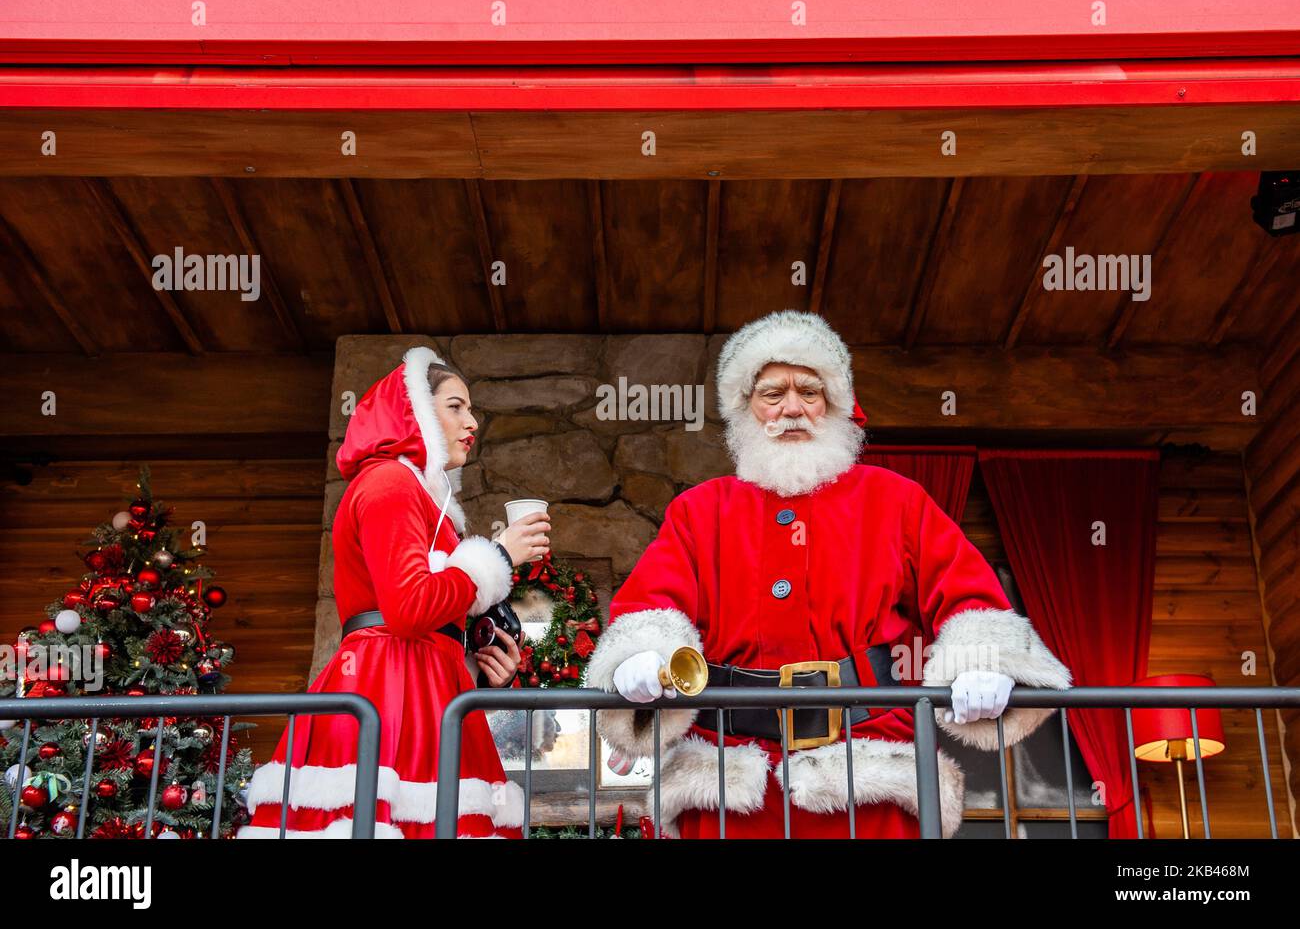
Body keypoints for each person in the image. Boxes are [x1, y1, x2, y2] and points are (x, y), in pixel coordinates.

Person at [585, 311, 1072, 838]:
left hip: (867, 770)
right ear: (746, 407)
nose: (792, 408)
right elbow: (653, 601)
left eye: (809, 391)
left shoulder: (895, 499)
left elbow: (964, 590)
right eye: (772, 393)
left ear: (835, 404)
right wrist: (642, 656)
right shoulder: (699, 510)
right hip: (729, 774)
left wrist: (985, 660)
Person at [238, 346, 550, 838]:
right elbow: (407, 609)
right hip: (389, 688)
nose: (473, 422)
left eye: (472, 410)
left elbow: (430, 616)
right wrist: (501, 557)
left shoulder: (423, 501)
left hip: (420, 685)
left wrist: (479, 666)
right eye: (456, 407)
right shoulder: (389, 483)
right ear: (416, 413)